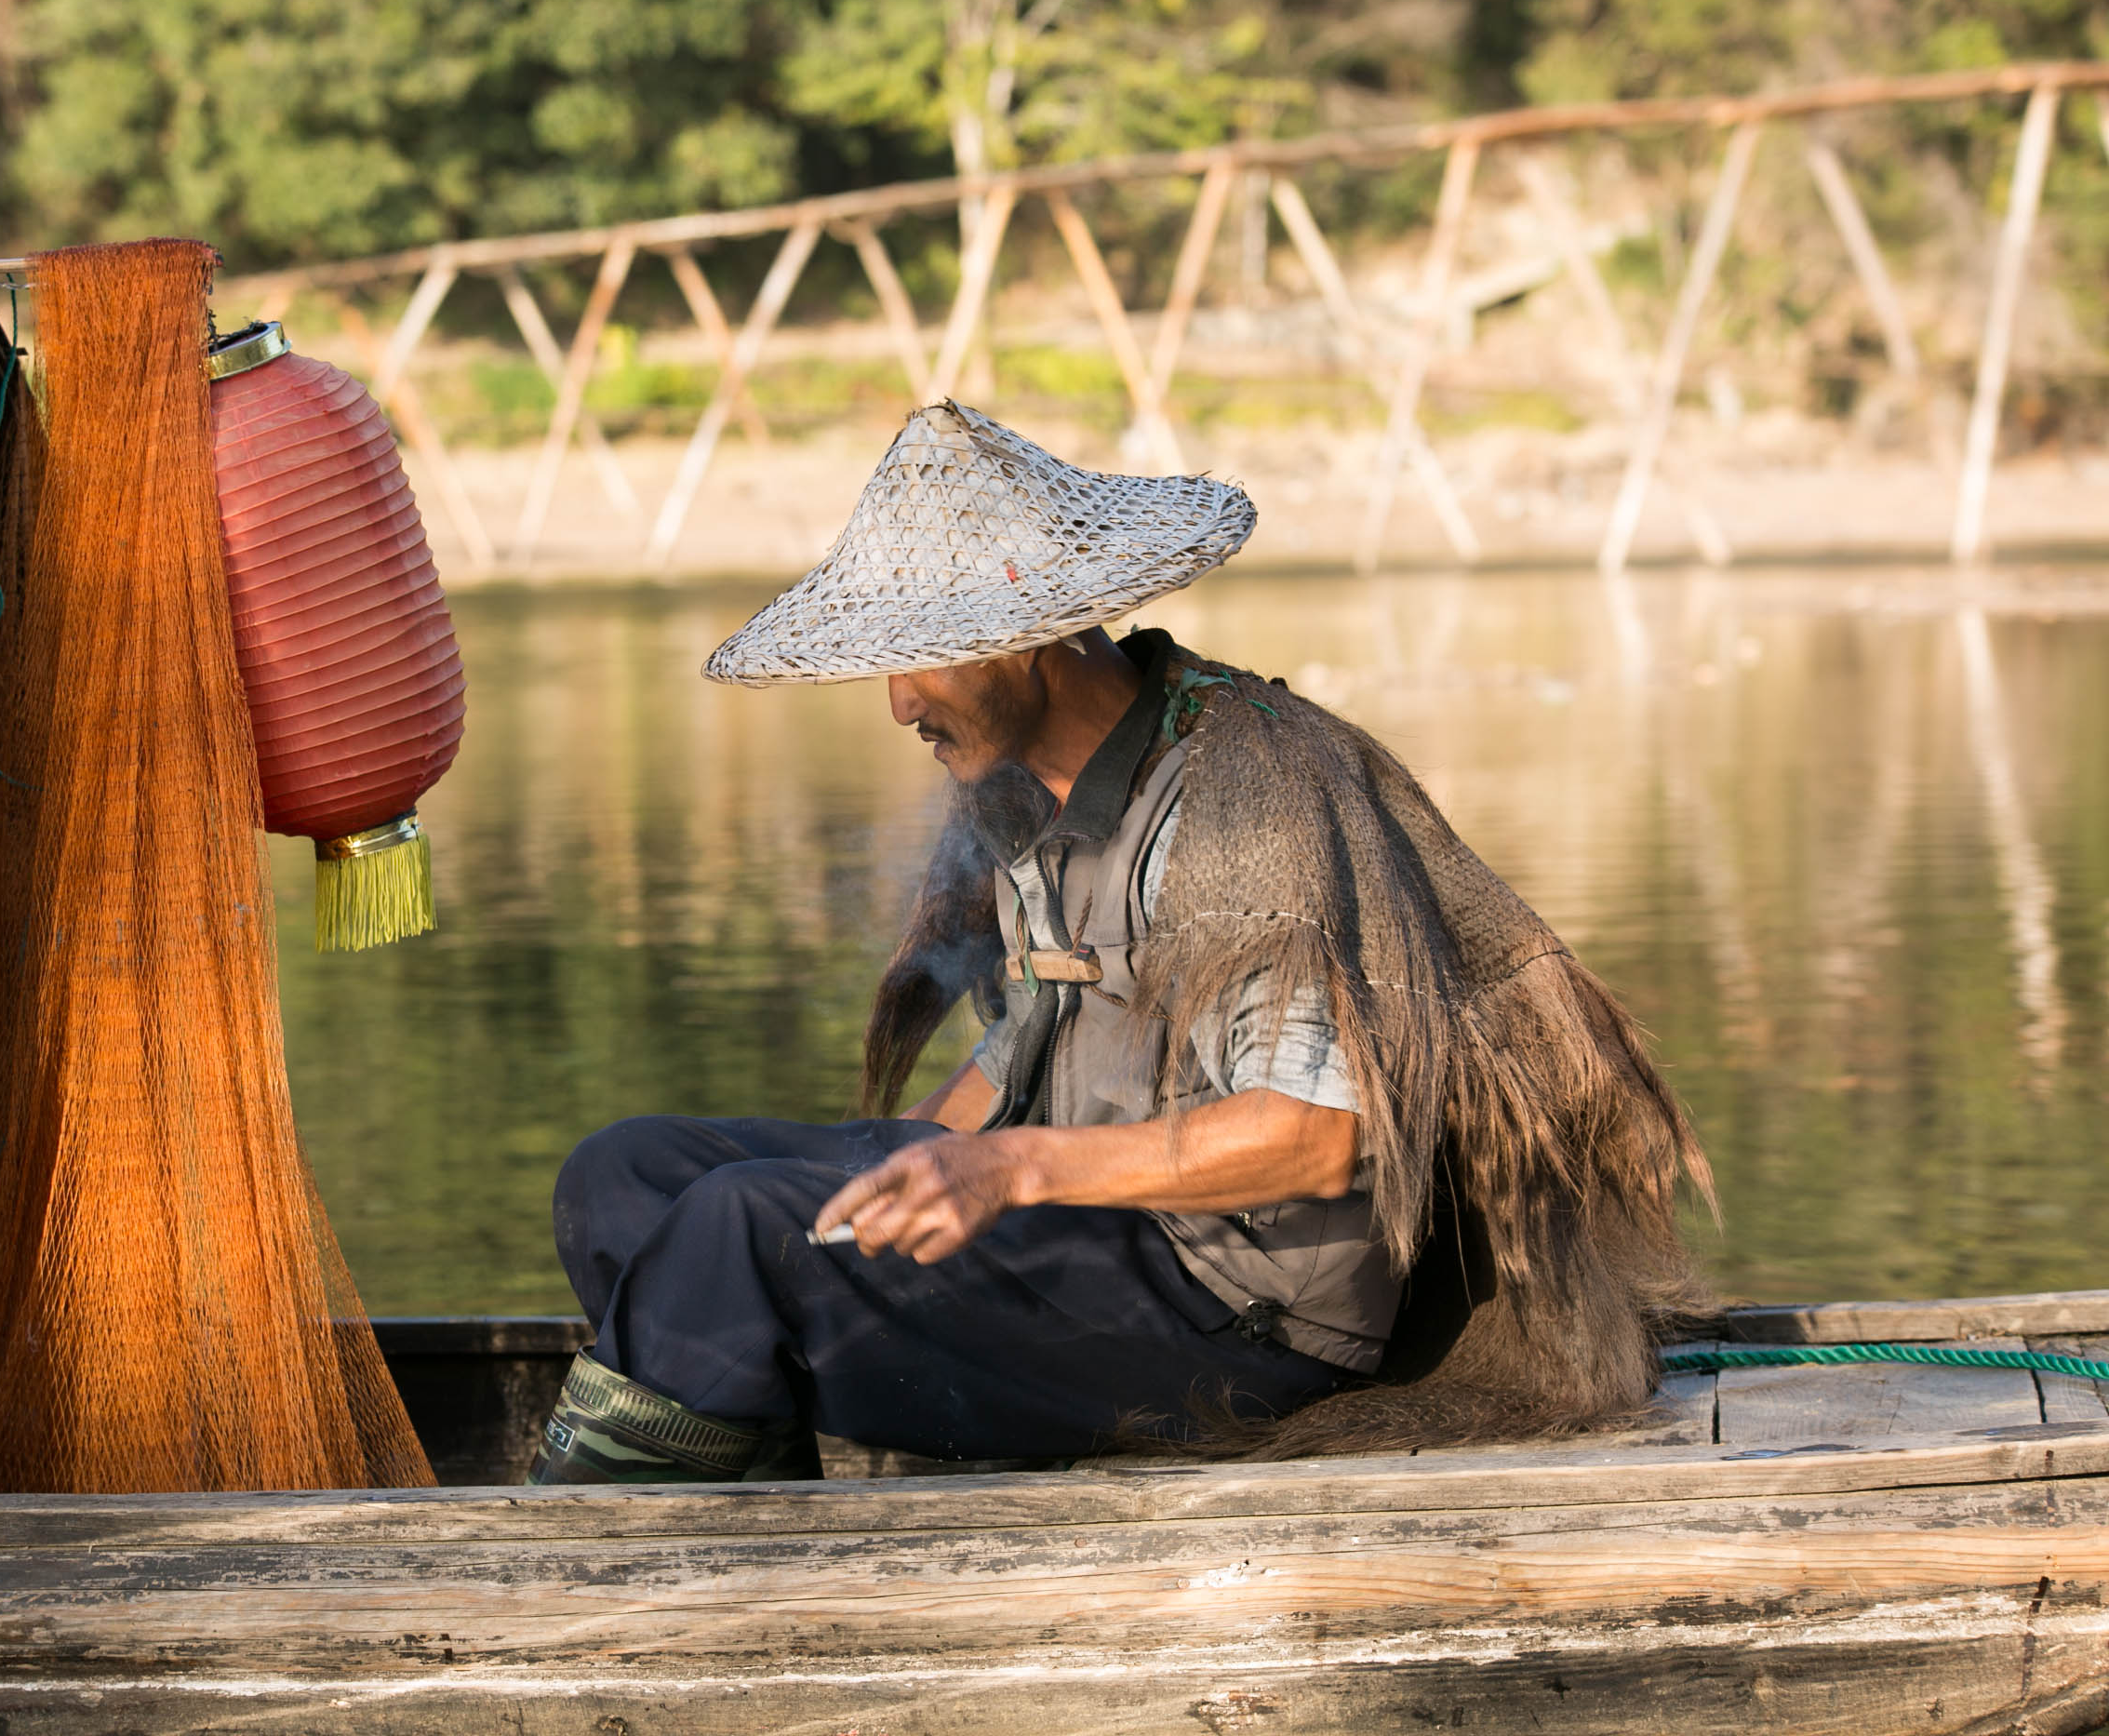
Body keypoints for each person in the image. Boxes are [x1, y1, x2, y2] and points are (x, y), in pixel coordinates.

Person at [528, 403, 1713, 1486]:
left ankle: (603, 1564)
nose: (898, 704)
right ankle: (755, 1503)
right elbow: (1024, 1047)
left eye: (920, 658)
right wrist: (892, 1178)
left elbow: (1318, 1137)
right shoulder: (1020, 798)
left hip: (1230, 1314)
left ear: (1028, 640)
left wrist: (1007, 1171)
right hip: (1079, 1239)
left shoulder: (1252, 796)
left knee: (742, 1227)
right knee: (628, 1176)